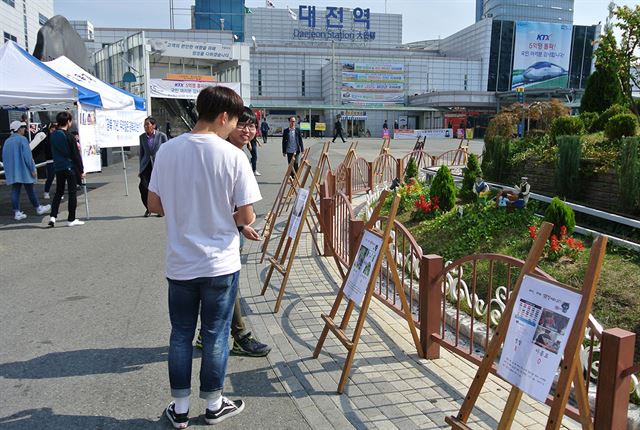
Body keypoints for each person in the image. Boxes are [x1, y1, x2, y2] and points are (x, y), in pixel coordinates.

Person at [147, 86, 261, 428]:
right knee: (215, 333)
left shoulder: (168, 150)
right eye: (236, 120)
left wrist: (184, 208)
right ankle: (213, 404)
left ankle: (179, 408)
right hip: (220, 264)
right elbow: (246, 217)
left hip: (180, 262)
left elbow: (153, 205)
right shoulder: (233, 156)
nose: (236, 127)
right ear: (224, 116)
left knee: (181, 333)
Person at [195, 107, 271, 357]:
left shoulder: (236, 154)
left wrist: (241, 225)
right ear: (228, 123)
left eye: (252, 126)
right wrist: (241, 222)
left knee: (218, 285)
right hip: (217, 234)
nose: (248, 130)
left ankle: (206, 335)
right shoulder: (222, 154)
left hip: (226, 229)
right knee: (226, 286)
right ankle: (239, 336)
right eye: (243, 124)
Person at [2, 120, 51, 221]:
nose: (24, 129)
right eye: (23, 127)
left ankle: (17, 212)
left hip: (13, 171)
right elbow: (27, 156)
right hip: (24, 170)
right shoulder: (22, 139)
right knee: (30, 190)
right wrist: (32, 169)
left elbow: (4, 157)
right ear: (19, 129)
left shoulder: (7, 141)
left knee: (15, 190)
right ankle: (38, 208)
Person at [48, 112, 84, 227]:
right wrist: (81, 169)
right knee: (72, 193)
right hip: (69, 167)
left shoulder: (53, 135)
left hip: (58, 167)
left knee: (59, 192)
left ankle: (53, 216)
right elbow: (75, 155)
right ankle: (71, 219)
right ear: (68, 121)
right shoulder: (69, 136)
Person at [139, 117, 168, 217]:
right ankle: (148, 208)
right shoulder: (142, 137)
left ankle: (160, 209)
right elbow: (141, 153)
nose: (145, 126)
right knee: (143, 187)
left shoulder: (162, 136)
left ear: (153, 125)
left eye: (148, 124)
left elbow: (167, 151)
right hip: (146, 165)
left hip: (158, 164)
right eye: (144, 125)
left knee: (160, 188)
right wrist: (140, 169)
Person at [42, 123, 58, 200]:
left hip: (57, 159)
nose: (53, 130)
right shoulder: (46, 137)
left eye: (54, 129)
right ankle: (46, 192)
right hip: (50, 160)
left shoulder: (56, 136)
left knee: (59, 177)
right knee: (51, 177)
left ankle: (59, 192)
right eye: (52, 129)